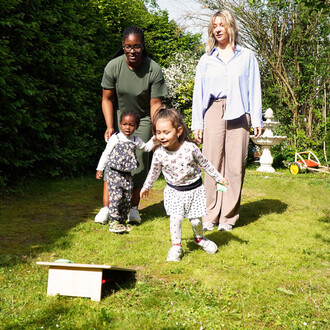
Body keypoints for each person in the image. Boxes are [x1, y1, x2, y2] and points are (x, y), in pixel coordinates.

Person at [191, 9, 263, 232]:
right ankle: (210, 214)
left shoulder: (247, 56)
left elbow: (254, 89)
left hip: (240, 111)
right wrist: (197, 124)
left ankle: (228, 218)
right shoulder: (206, 59)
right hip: (213, 110)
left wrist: (257, 118)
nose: (218, 29)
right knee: (211, 164)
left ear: (231, 27)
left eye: (221, 24)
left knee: (235, 166)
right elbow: (198, 93)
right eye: (214, 26)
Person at [95, 25, 167, 226]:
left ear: (143, 46)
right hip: (121, 118)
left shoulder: (153, 69)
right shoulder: (113, 66)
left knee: (140, 161)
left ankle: (133, 209)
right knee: (113, 158)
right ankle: (106, 208)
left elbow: (155, 103)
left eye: (136, 46)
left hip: (143, 119)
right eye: (128, 47)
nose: (132, 51)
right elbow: (107, 99)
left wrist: (156, 129)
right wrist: (110, 126)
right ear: (123, 46)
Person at [140, 107, 228, 262]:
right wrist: (146, 186)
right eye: (158, 132)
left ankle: (199, 238)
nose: (162, 136)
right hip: (174, 191)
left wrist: (218, 177)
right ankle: (176, 246)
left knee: (195, 220)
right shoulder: (159, 153)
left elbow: (205, 163)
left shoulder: (190, 148)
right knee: (176, 219)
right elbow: (153, 172)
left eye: (166, 132)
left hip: (194, 190)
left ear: (178, 130)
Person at [96, 110, 155, 233]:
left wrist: (156, 138)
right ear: (120, 124)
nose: (127, 127)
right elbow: (106, 154)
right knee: (116, 197)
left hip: (127, 175)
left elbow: (147, 148)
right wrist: (100, 169)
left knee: (126, 197)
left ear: (137, 126)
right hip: (114, 173)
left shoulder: (135, 140)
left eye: (131, 125)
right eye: (124, 124)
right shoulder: (115, 138)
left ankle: (122, 221)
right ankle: (113, 222)